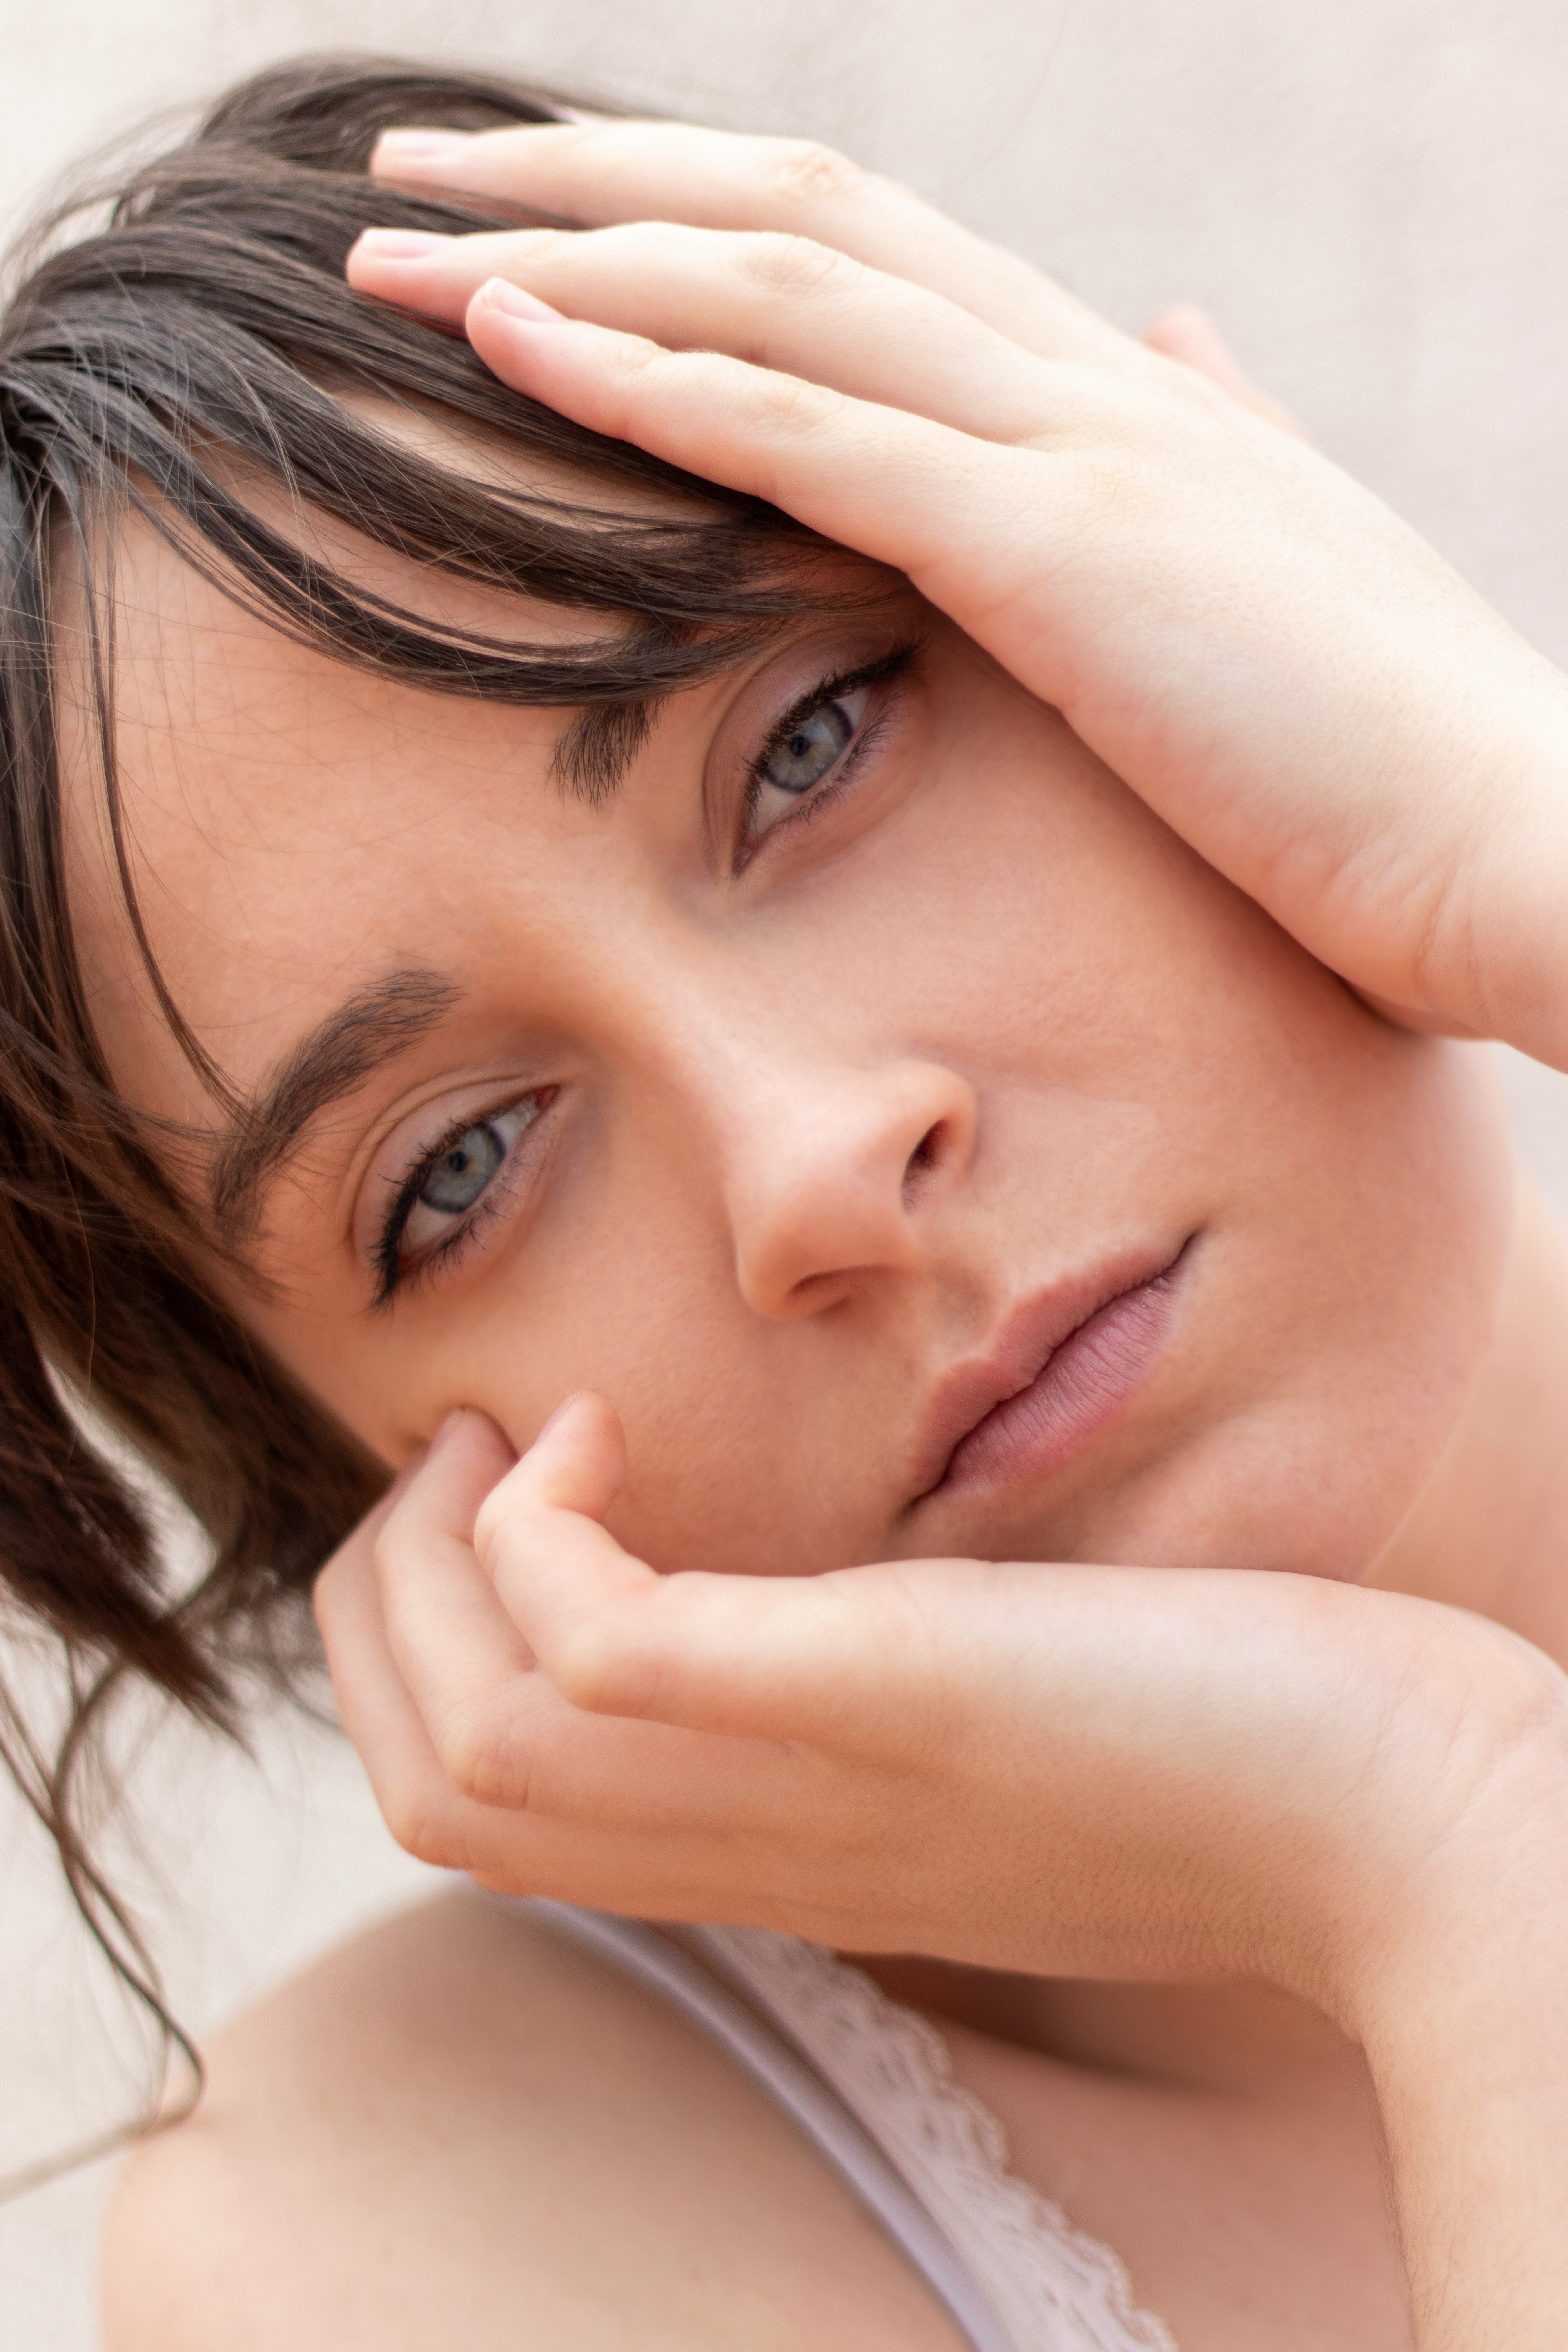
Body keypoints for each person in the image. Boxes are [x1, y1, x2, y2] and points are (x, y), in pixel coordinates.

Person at [2, 51, 1566, 2352]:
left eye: (812, 744)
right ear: (360, 1502)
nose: (813, 1156)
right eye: (461, 1170)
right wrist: (1455, 1851)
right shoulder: (415, 2237)